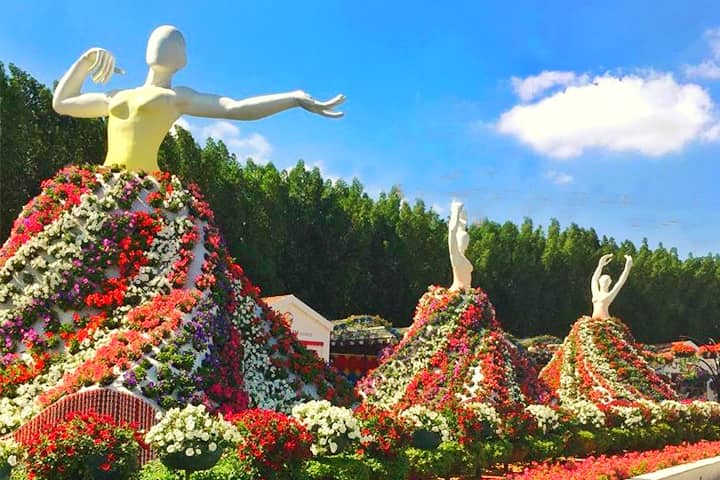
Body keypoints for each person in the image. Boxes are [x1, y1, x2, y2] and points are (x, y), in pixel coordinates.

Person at [52, 25, 345, 172]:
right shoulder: (117, 95)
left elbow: (235, 108)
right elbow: (62, 103)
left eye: (174, 40)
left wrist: (292, 98)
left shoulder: (177, 97)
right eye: (157, 37)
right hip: (103, 183)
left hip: (145, 190)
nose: (163, 40)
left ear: (183, 59)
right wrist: (86, 60)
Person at [591, 253, 633, 319]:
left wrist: (627, 268)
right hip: (593, 321)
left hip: (605, 321)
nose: (605, 281)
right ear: (599, 281)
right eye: (603, 279)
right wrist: (600, 265)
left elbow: (621, 281)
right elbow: (594, 279)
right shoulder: (595, 292)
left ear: (610, 282)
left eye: (607, 280)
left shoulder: (609, 295)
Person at [448, 200, 473, 292]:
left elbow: (460, 228)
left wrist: (462, 220)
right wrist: (456, 212)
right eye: (463, 239)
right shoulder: (455, 255)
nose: (466, 242)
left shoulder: (463, 258)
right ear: (457, 241)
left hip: (466, 295)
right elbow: (452, 232)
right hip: (457, 294)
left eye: (467, 239)